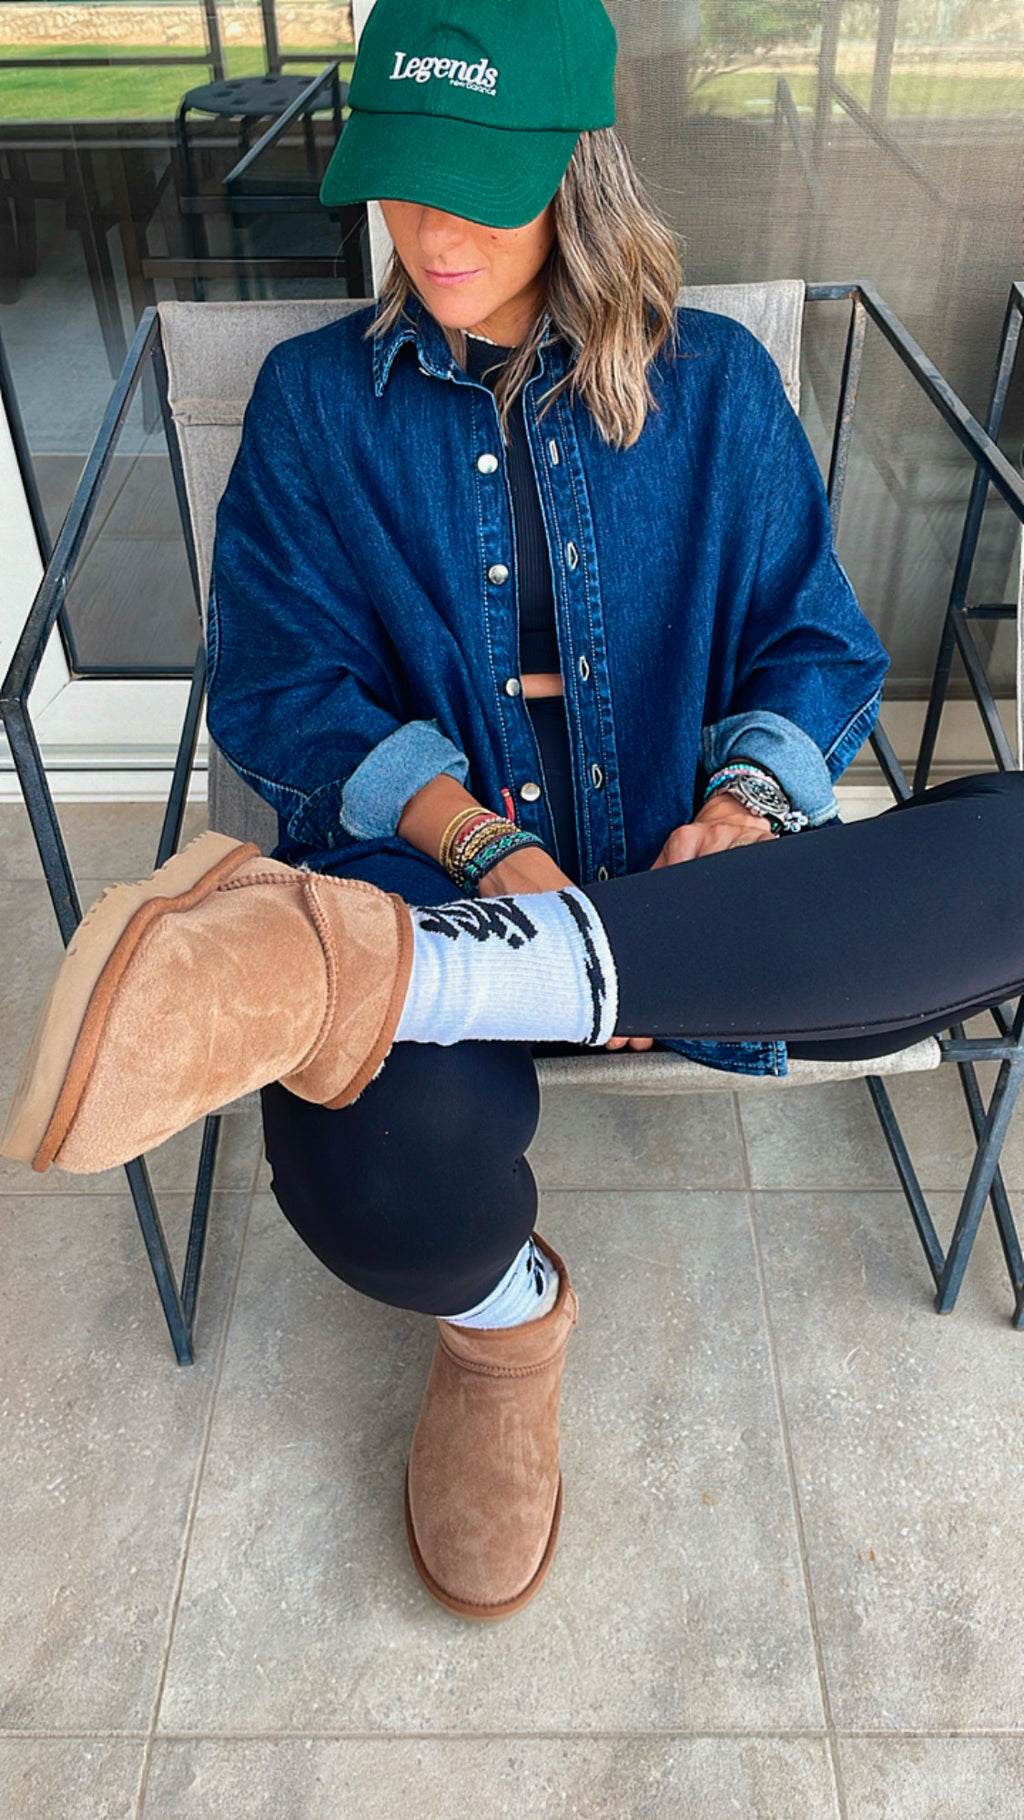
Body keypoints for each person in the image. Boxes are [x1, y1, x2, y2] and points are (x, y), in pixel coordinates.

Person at [5, 0, 1024, 1624]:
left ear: (577, 165)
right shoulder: (314, 405)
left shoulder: (719, 389)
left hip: (691, 897)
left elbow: (819, 643)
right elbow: (282, 687)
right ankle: (505, 1333)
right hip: (437, 883)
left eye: (473, 183)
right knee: (380, 1194)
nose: (425, 230)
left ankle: (447, 972)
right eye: (399, 182)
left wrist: (750, 808)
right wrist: (490, 850)